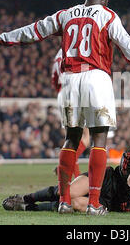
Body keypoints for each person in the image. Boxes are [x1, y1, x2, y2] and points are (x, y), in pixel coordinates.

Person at [0, 0, 130, 215]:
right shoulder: (108, 16)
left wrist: (2, 39)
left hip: (70, 80)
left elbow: (35, 30)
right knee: (98, 139)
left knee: (71, 139)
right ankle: (94, 203)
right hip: (96, 79)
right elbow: (129, 47)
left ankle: (63, 201)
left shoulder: (66, 14)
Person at [2, 150, 130, 213]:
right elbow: (128, 155)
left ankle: (28, 208)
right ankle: (25, 197)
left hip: (107, 202)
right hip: (106, 178)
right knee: (69, 192)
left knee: (73, 204)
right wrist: (127, 175)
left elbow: (124, 207)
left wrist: (129, 189)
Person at [51, 49, 89, 178]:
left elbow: (54, 79)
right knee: (86, 136)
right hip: (77, 93)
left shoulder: (58, 54)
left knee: (71, 137)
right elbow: (85, 71)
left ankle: (66, 166)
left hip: (63, 93)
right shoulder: (80, 49)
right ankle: (70, 169)